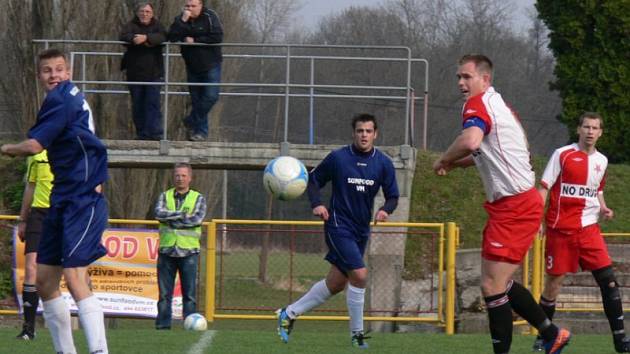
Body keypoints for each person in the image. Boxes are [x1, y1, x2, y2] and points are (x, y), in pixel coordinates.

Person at [432, 54, 570, 354]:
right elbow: (485, 152)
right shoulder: (500, 106)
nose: (460, 83)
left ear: (485, 79)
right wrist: (457, 165)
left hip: (515, 206)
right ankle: (550, 333)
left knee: (492, 287)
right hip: (515, 204)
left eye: (467, 77)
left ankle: (537, 339)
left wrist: (444, 158)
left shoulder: (478, 104)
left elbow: (470, 141)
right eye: (458, 77)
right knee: (499, 283)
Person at [1, 48, 109, 354]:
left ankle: (100, 351)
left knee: (75, 278)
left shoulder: (60, 98)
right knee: (46, 281)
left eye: (59, 69)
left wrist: (6, 147)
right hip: (62, 199)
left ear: (69, 72)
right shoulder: (69, 95)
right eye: (47, 71)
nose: (54, 76)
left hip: (83, 199)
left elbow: (35, 145)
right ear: (39, 76)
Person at [276, 113, 399, 349]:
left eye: (368, 131)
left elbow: (393, 196)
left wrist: (385, 209)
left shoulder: (382, 163)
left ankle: (288, 314)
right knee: (360, 275)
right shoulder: (338, 158)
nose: (364, 135)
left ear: (375, 134)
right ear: (353, 133)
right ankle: (357, 334)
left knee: (336, 283)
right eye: (360, 131)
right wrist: (317, 204)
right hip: (338, 225)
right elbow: (313, 180)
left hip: (361, 230)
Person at [531, 112, 630, 353]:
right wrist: (537, 219)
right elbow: (544, 187)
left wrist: (603, 206)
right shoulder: (562, 154)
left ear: (600, 132)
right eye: (586, 127)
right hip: (560, 230)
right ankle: (545, 336)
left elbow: (597, 189)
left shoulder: (602, 161)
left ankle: (621, 340)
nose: (590, 131)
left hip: (588, 230)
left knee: (608, 281)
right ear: (579, 129)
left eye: (595, 128)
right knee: (554, 283)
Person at [154, 163, 207, 329]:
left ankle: (190, 326)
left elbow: (196, 219)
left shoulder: (198, 198)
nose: (180, 178)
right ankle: (163, 327)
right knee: (164, 295)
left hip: (189, 253)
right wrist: (182, 215)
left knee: (189, 295)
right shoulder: (165, 196)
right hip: (167, 251)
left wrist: (171, 218)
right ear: (173, 177)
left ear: (190, 178)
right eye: (177, 175)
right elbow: (158, 214)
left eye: (183, 175)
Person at [168, 0, 223, 142]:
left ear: (200, 6)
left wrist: (196, 40)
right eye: (187, 6)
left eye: (193, 6)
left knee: (211, 96)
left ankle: (191, 120)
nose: (190, 8)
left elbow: (217, 37)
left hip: (211, 64)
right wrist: (183, 21)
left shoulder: (210, 16)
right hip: (192, 65)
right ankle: (200, 133)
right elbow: (172, 37)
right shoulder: (181, 18)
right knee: (197, 100)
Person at [15, 150, 53, 340]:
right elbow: (30, 186)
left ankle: (90, 322)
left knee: (75, 273)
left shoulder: (70, 147)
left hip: (64, 211)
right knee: (31, 268)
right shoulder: (37, 154)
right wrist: (23, 219)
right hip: (39, 214)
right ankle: (28, 329)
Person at [120, 2, 167, 141]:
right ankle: (142, 134)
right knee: (138, 104)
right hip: (134, 73)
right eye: (142, 11)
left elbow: (164, 36)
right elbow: (123, 36)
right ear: (137, 12)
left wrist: (146, 38)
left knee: (153, 103)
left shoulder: (158, 25)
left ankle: (155, 134)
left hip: (154, 72)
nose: (144, 14)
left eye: (147, 11)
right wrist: (135, 39)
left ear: (152, 13)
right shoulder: (130, 25)